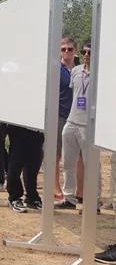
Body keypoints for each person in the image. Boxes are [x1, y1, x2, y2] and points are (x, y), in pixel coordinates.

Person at [55, 42, 101, 212]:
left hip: (89, 126)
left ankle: (94, 201)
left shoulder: (100, 73)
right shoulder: (75, 71)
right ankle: (69, 197)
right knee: (68, 162)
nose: (86, 55)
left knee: (92, 165)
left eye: (90, 52)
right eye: (84, 52)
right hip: (71, 121)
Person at [55, 37, 77, 200]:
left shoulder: (80, 70)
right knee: (55, 154)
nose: (66, 52)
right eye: (63, 49)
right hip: (59, 115)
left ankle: (75, 189)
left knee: (74, 156)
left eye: (70, 49)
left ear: (75, 51)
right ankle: (55, 187)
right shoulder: (56, 69)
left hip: (76, 117)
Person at [6, 125, 44, 213]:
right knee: (16, 161)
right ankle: (14, 197)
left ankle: (32, 197)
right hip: (19, 127)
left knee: (34, 163)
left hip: (37, 128)